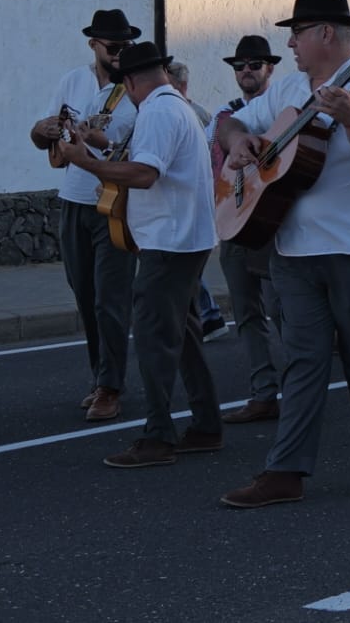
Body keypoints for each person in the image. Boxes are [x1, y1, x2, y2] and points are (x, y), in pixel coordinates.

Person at [218, 0, 350, 509]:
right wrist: (236, 142)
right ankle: (286, 471)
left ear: (326, 33)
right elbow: (229, 122)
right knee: (301, 362)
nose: (289, 44)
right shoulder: (288, 87)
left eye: (297, 33)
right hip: (294, 248)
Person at [58, 43, 224, 469]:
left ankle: (158, 436)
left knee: (153, 339)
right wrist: (105, 144)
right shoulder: (173, 105)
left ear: (130, 82)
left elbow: (146, 173)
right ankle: (206, 425)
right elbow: (152, 162)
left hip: (169, 242)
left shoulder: (157, 112)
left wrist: (86, 162)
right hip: (183, 239)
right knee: (184, 335)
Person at [28, 8, 140, 423]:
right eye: (113, 45)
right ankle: (100, 377)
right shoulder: (72, 81)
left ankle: (111, 387)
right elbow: (45, 138)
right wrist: (43, 131)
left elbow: (142, 148)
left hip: (117, 201)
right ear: (93, 44)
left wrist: (102, 141)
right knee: (86, 297)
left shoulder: (136, 87)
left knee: (111, 298)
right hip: (74, 200)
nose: (119, 52)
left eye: (125, 45)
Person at [211, 34, 284, 426]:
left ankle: (302, 388)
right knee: (246, 313)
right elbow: (216, 165)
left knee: (281, 309)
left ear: (270, 68)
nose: (246, 71)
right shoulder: (225, 115)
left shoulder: (283, 113)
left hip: (272, 222)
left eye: (255, 65)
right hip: (234, 218)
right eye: (240, 66)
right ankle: (263, 393)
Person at [165, 60, 227, 338]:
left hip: (192, 198)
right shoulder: (188, 111)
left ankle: (209, 316)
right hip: (189, 198)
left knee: (185, 263)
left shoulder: (192, 114)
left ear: (182, 85)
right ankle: (210, 316)